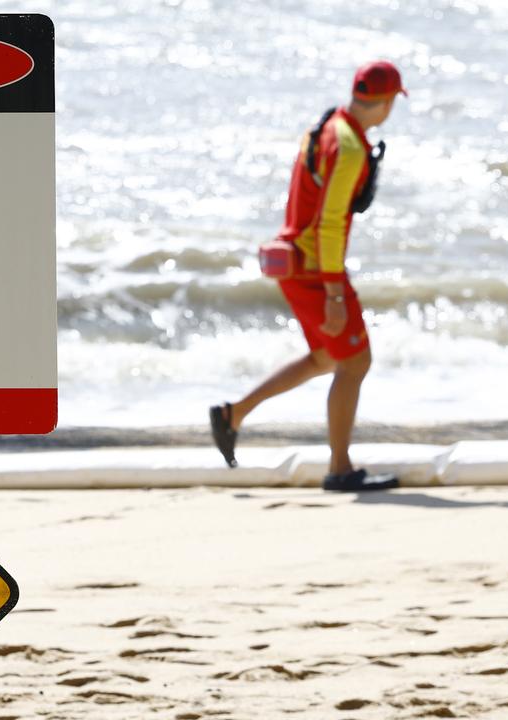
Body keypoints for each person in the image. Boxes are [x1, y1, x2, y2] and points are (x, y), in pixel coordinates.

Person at [210, 61, 407, 492]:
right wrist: (335, 291)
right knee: (355, 362)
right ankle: (340, 469)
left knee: (325, 357)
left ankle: (234, 414)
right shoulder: (351, 146)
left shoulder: (328, 125)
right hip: (317, 270)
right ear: (389, 102)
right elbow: (331, 222)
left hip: (295, 260)